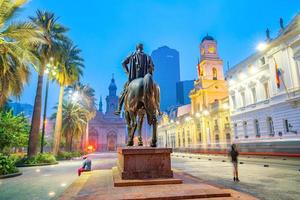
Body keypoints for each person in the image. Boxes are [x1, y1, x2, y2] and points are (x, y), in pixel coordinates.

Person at [114, 43, 154, 116]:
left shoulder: (132, 55)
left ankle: (119, 109)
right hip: (145, 79)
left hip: (133, 79)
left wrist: (128, 72)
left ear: (136, 48)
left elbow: (123, 63)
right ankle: (156, 109)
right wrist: (149, 74)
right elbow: (152, 67)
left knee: (124, 91)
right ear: (142, 48)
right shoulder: (147, 57)